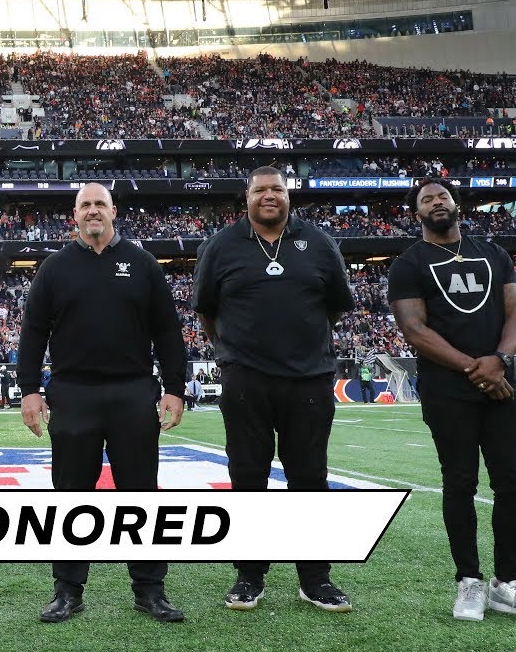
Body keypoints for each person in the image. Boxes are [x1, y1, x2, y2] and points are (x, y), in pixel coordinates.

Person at [388, 177, 516, 622]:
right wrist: (477, 367)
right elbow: (415, 331)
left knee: (513, 486)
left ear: (456, 202)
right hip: (450, 392)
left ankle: (509, 583)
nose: (436, 202)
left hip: (502, 384)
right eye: (426, 199)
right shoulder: (409, 263)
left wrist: (500, 359)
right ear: (417, 213)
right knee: (459, 484)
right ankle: (469, 580)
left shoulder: (494, 252)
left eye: (441, 195)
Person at [18, 183, 188, 624]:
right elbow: (33, 333)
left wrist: (175, 387)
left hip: (133, 391)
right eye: (85, 205)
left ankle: (149, 589)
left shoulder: (143, 263)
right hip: (72, 393)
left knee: (141, 496)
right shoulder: (54, 268)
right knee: (71, 497)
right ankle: (68, 590)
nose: (93, 211)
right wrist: (30, 390)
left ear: (114, 211)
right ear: (74, 215)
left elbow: (168, 331)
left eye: (100, 204)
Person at [191, 167, 356, 613]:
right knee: (248, 479)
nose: (269, 196)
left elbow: (337, 306)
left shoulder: (319, 243)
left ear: (288, 195)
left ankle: (315, 578)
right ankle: (249, 576)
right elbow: (207, 310)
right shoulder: (222, 245)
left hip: (309, 380)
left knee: (310, 480)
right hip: (246, 380)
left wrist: (301, 345)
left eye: (276, 189)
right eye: (260, 189)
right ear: (246, 197)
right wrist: (234, 351)